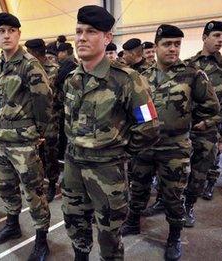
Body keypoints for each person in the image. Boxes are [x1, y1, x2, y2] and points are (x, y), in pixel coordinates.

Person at [61, 5, 159, 260]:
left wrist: (118, 152)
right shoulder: (72, 78)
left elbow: (148, 126)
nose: (82, 37)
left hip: (107, 171)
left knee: (109, 234)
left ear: (107, 38)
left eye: (91, 32)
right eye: (79, 31)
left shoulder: (127, 80)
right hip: (73, 166)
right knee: (74, 222)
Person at [122, 24, 219, 261]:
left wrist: (196, 124)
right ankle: (133, 222)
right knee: (138, 188)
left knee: (173, 195)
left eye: (177, 44)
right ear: (155, 47)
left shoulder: (192, 74)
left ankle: (174, 237)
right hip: (144, 146)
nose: (173, 49)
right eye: (167, 44)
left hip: (175, 148)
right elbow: (135, 108)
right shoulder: (142, 77)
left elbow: (212, 108)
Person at [0, 12, 52, 261]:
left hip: (23, 142)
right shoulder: (1, 65)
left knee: (34, 192)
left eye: (11, 31)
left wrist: (39, 133)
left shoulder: (29, 64)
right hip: (1, 139)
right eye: (1, 31)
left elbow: (44, 100)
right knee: (5, 187)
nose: (6, 35)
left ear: (18, 34)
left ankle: (42, 239)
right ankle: (12, 224)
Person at [185, 21, 222, 201]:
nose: (221, 40)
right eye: (216, 35)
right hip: (186, 126)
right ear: (204, 38)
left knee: (201, 170)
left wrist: (215, 126)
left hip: (210, 128)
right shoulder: (188, 65)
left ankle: (189, 206)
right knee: (176, 168)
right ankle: (167, 202)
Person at [25, 38, 61, 202]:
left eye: (28, 51)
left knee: (50, 154)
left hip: (50, 121)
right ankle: (39, 183)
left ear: (35, 52)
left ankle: (52, 183)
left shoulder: (54, 69)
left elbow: (59, 96)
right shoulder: (26, 68)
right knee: (34, 154)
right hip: (31, 120)